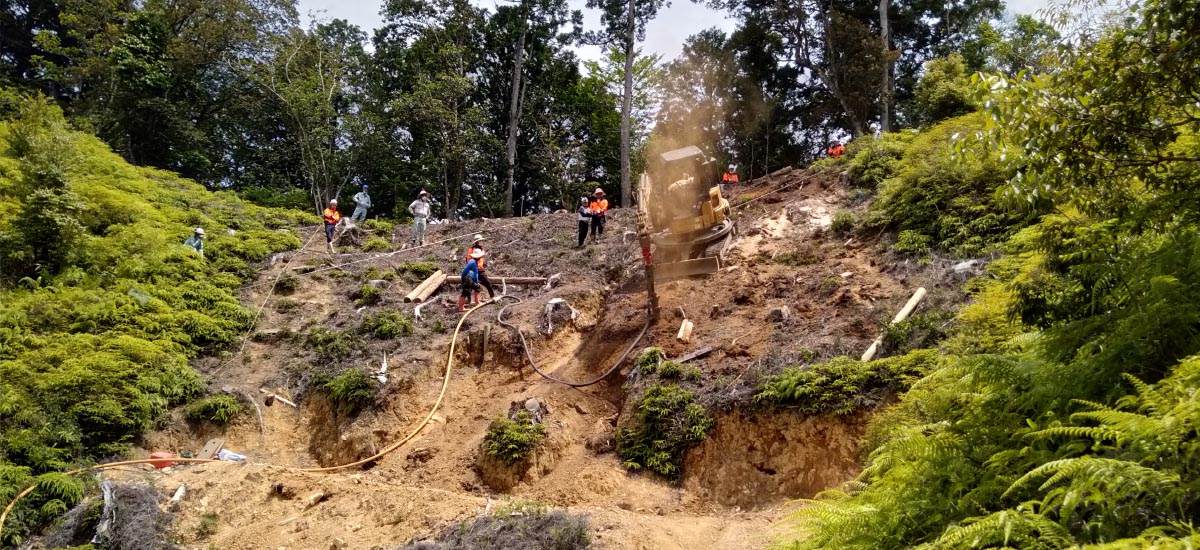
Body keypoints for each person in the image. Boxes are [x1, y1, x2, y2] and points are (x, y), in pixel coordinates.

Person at [465, 234, 495, 301]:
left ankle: (493, 298)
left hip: (480, 270)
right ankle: (469, 301)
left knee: (488, 284)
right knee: (470, 286)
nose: (481, 242)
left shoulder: (482, 250)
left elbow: (482, 258)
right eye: (480, 241)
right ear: (477, 242)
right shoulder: (471, 250)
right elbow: (468, 260)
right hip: (473, 270)